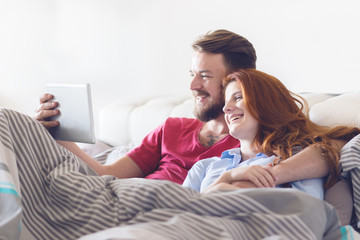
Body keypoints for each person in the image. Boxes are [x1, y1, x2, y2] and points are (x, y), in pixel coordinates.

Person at [34, 29, 330, 187]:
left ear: (235, 80)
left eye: (204, 76)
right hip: (126, 197)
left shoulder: (252, 139)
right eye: (192, 75)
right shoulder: (172, 128)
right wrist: (59, 131)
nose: (192, 87)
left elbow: (327, 149)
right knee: (16, 126)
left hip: (172, 213)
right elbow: (104, 174)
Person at [183, 69, 360, 197]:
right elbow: (177, 212)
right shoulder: (206, 166)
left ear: (266, 103)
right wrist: (227, 177)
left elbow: (305, 217)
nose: (226, 108)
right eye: (226, 101)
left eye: (238, 97)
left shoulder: (295, 159)